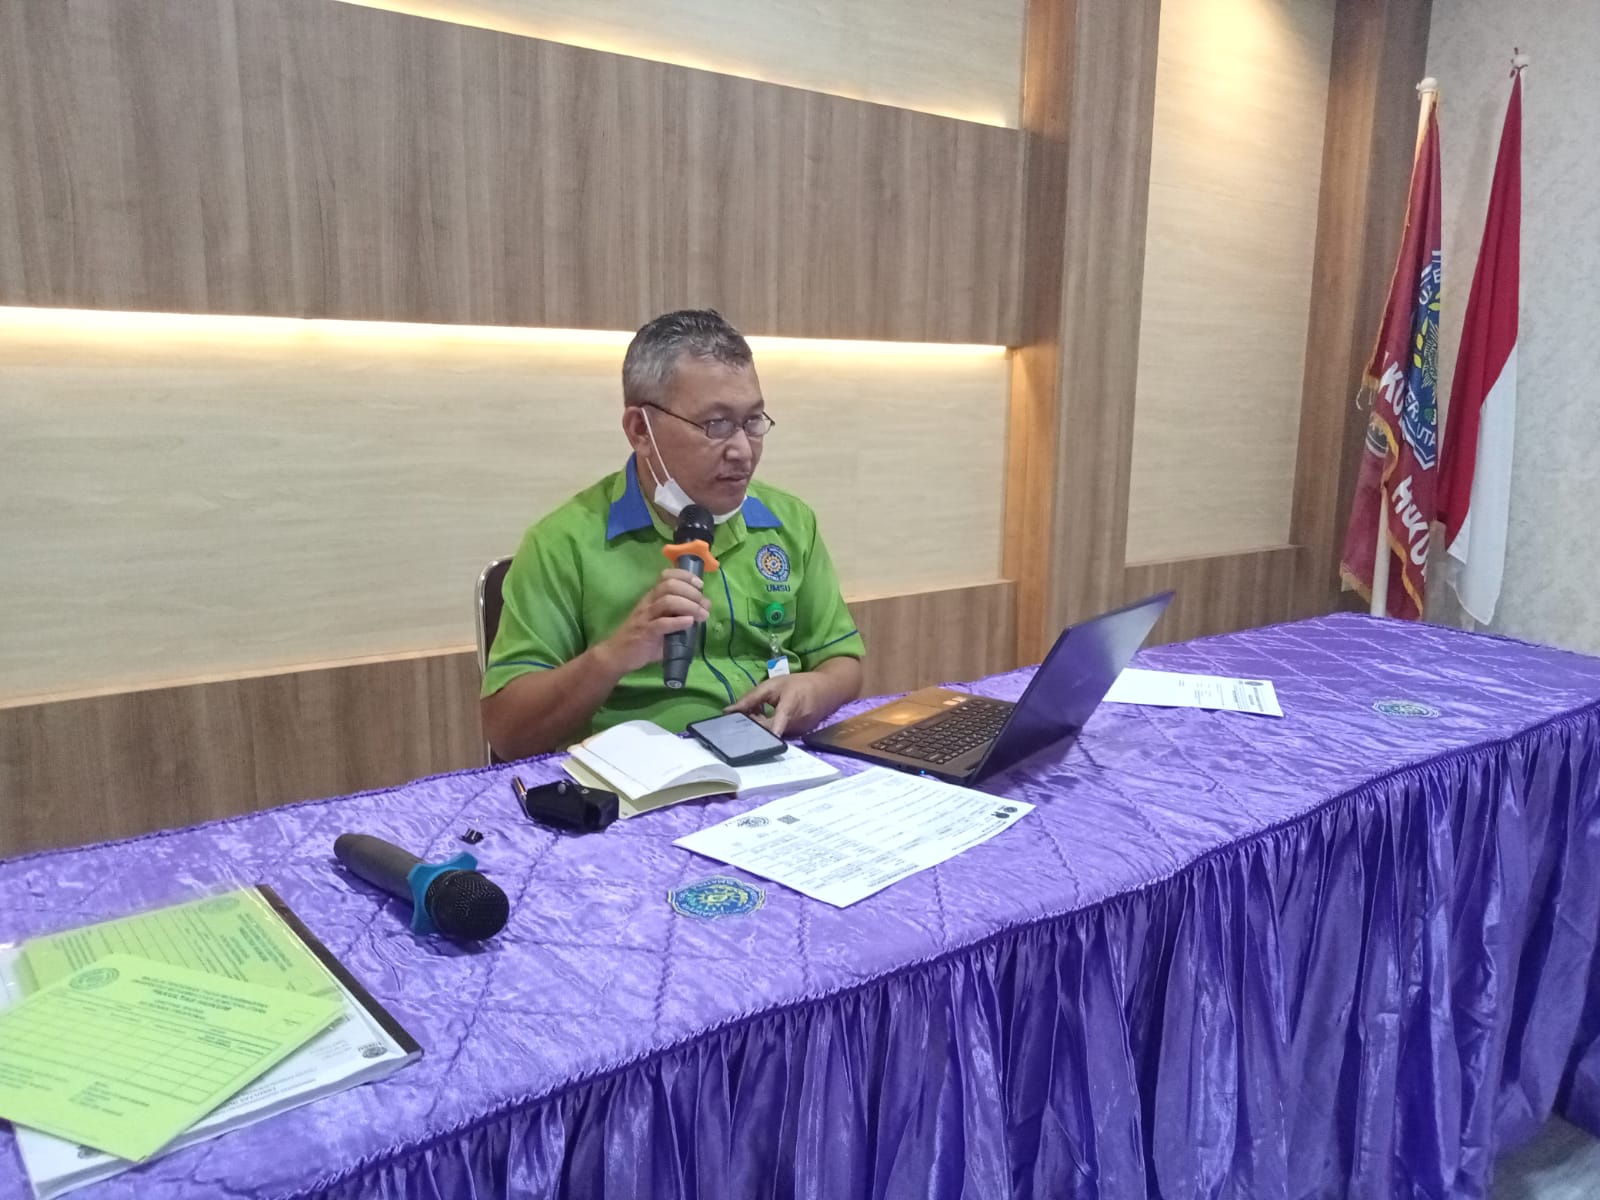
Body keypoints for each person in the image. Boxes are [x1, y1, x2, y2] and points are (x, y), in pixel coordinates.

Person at [480, 310, 865, 759]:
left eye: (753, 421)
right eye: (716, 425)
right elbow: (507, 733)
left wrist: (814, 689)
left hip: (777, 761)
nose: (743, 451)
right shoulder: (562, 543)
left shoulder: (791, 522)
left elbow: (843, 662)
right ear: (640, 430)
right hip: (640, 779)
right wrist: (614, 655)